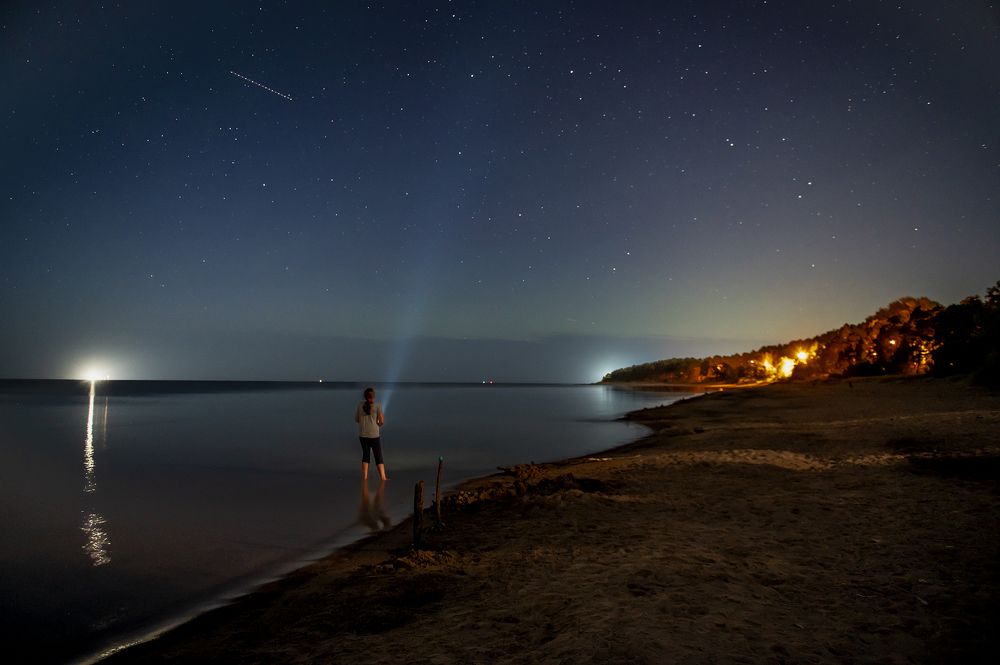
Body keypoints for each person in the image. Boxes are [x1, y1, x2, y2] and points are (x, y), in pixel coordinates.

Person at [355, 387, 387, 481]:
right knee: (378, 456)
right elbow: (381, 422)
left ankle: (364, 478)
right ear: (373, 396)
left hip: (363, 434)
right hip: (374, 435)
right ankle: (383, 477)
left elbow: (357, 420)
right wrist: (378, 423)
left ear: (365, 396)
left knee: (366, 455)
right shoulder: (378, 405)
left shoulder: (360, 405)